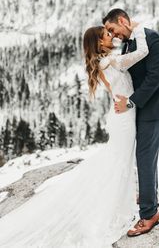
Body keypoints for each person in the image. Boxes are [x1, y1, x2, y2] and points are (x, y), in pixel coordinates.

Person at [0, 21, 150, 248]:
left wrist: (117, 38)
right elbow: (142, 52)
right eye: (107, 34)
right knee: (120, 160)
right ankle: (115, 204)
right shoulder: (110, 60)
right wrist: (137, 28)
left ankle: (122, 198)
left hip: (122, 114)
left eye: (110, 32)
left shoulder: (104, 60)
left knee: (121, 159)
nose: (112, 35)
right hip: (123, 118)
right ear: (100, 42)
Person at [103, 8, 159, 237]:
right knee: (146, 156)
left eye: (112, 29)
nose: (113, 35)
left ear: (122, 20)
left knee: (145, 157)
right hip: (142, 109)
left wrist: (130, 103)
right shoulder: (130, 42)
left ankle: (149, 215)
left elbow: (156, 78)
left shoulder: (152, 39)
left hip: (155, 107)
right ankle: (149, 196)